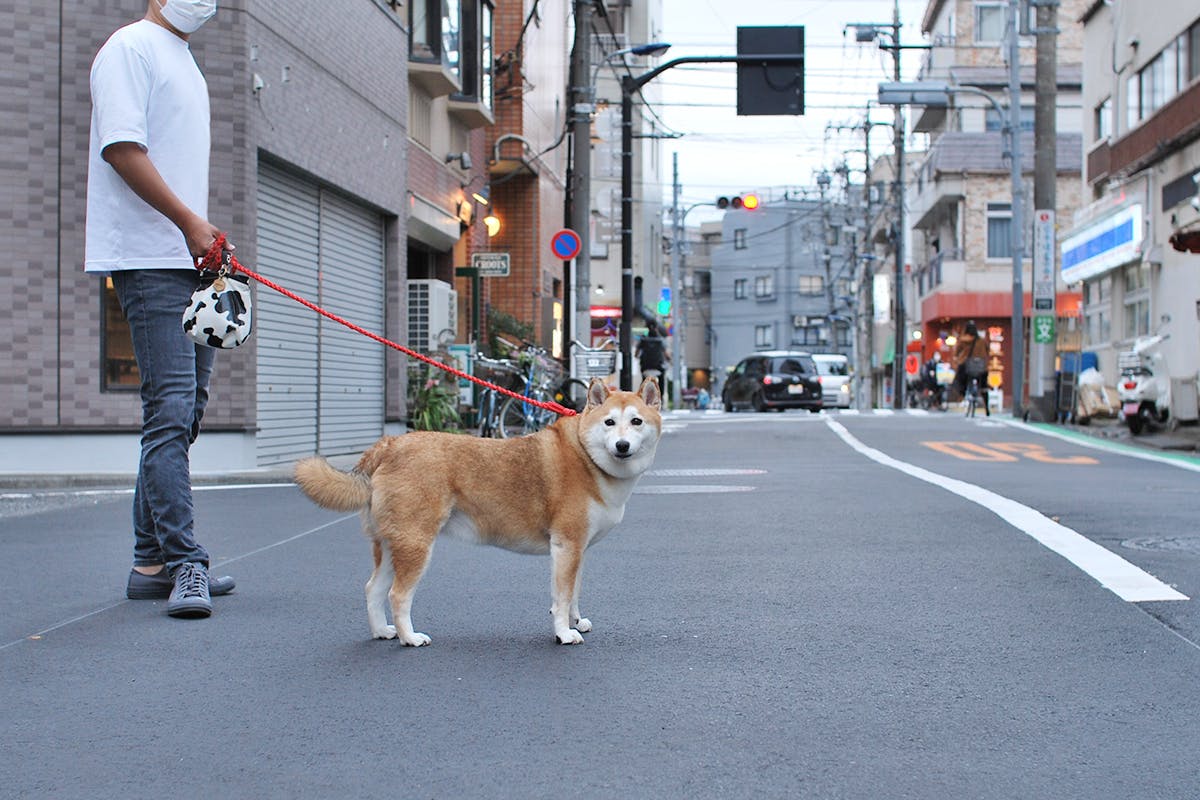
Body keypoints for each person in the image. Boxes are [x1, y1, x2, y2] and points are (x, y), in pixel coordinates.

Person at [85, 0, 235, 618]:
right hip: (148, 260)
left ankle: (149, 562)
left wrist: (200, 238)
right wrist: (190, 224)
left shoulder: (185, 59)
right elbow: (122, 149)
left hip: (185, 261)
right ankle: (185, 563)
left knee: (186, 408)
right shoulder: (129, 48)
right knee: (170, 409)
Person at [952, 321, 989, 416]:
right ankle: (987, 407)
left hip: (967, 366)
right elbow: (987, 350)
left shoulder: (963, 340)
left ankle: (962, 394)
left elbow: (956, 352)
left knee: (960, 379)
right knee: (984, 386)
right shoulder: (982, 340)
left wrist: (957, 359)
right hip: (981, 367)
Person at [635, 320, 671, 393]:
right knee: (661, 382)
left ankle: (641, 396)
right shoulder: (660, 340)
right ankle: (661, 397)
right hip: (658, 367)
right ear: (656, 327)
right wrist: (669, 359)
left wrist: (637, 356)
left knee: (644, 381)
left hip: (645, 367)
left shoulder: (643, 339)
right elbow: (666, 355)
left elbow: (636, 354)